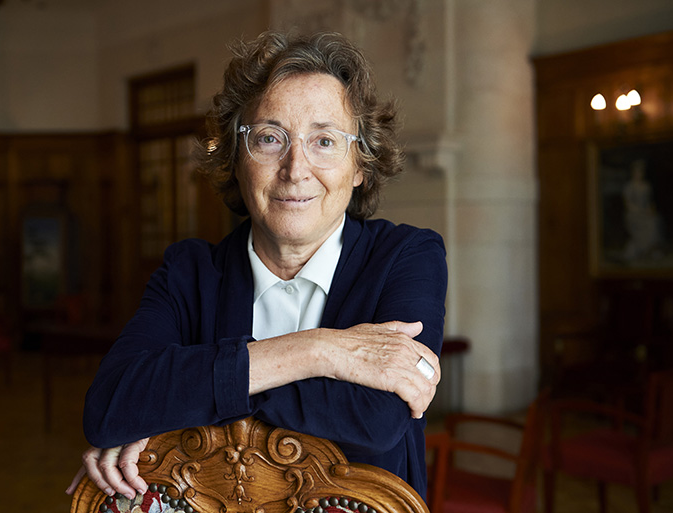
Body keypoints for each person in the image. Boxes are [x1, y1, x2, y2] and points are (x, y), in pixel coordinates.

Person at [66, 30, 447, 503]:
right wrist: (319, 350)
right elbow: (110, 404)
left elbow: (377, 419)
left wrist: (175, 405)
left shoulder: (407, 257)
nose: (295, 168)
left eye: (325, 141)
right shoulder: (190, 272)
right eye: (269, 138)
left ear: (361, 166)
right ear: (235, 157)